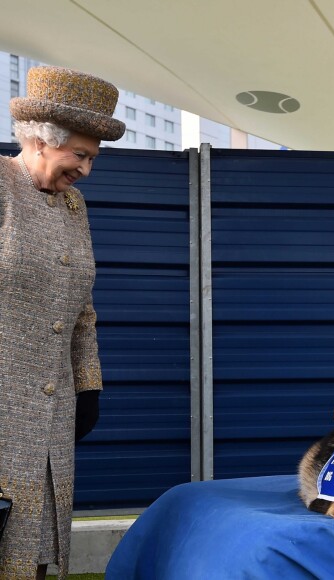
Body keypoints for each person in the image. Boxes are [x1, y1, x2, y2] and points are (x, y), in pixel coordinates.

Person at [0, 66, 125, 579]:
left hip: (52, 411)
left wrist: (88, 386)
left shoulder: (74, 206)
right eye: (80, 155)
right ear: (41, 141)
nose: (87, 170)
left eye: (93, 157)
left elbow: (83, 310)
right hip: (4, 402)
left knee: (33, 552)